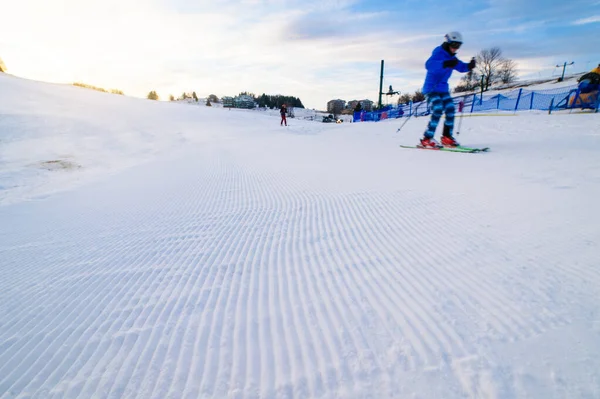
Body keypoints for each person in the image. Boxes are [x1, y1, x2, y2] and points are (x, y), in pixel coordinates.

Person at [420, 32, 476, 148]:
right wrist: (444, 63)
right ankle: (427, 138)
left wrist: (469, 66)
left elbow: (460, 67)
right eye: (454, 44)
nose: (455, 48)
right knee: (438, 108)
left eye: (458, 46)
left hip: (443, 89)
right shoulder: (438, 53)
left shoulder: (452, 58)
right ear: (448, 42)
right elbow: (429, 65)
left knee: (450, 109)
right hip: (431, 89)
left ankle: (446, 137)